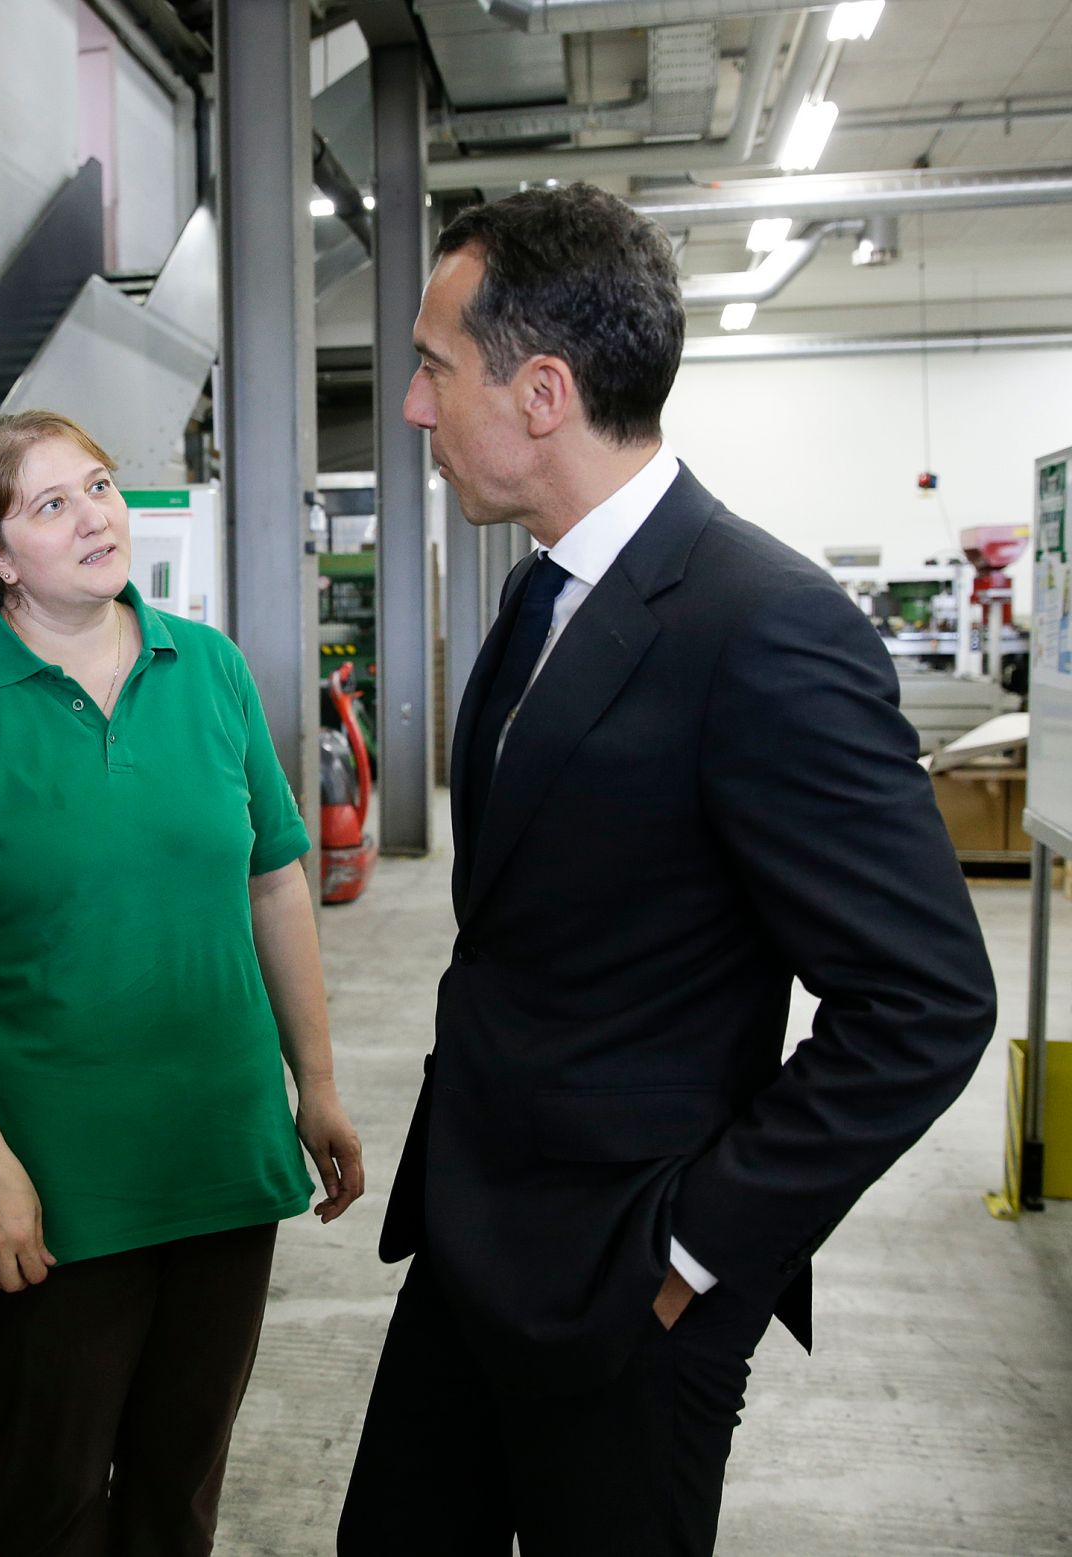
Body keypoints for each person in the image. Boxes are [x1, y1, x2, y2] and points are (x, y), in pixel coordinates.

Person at [338, 183, 997, 1555]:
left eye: (433, 369)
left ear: (542, 392)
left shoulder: (764, 627)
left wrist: (696, 1252)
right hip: (471, 1239)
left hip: (629, 1281)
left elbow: (925, 1003)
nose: (410, 408)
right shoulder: (539, 591)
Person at [0, 409, 363, 1556]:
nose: (94, 517)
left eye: (98, 485)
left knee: (178, 1492)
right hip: (46, 1187)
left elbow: (274, 886)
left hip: (217, 1159)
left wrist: (316, 1083)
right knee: (54, 1495)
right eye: (50, 504)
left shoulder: (208, 667)